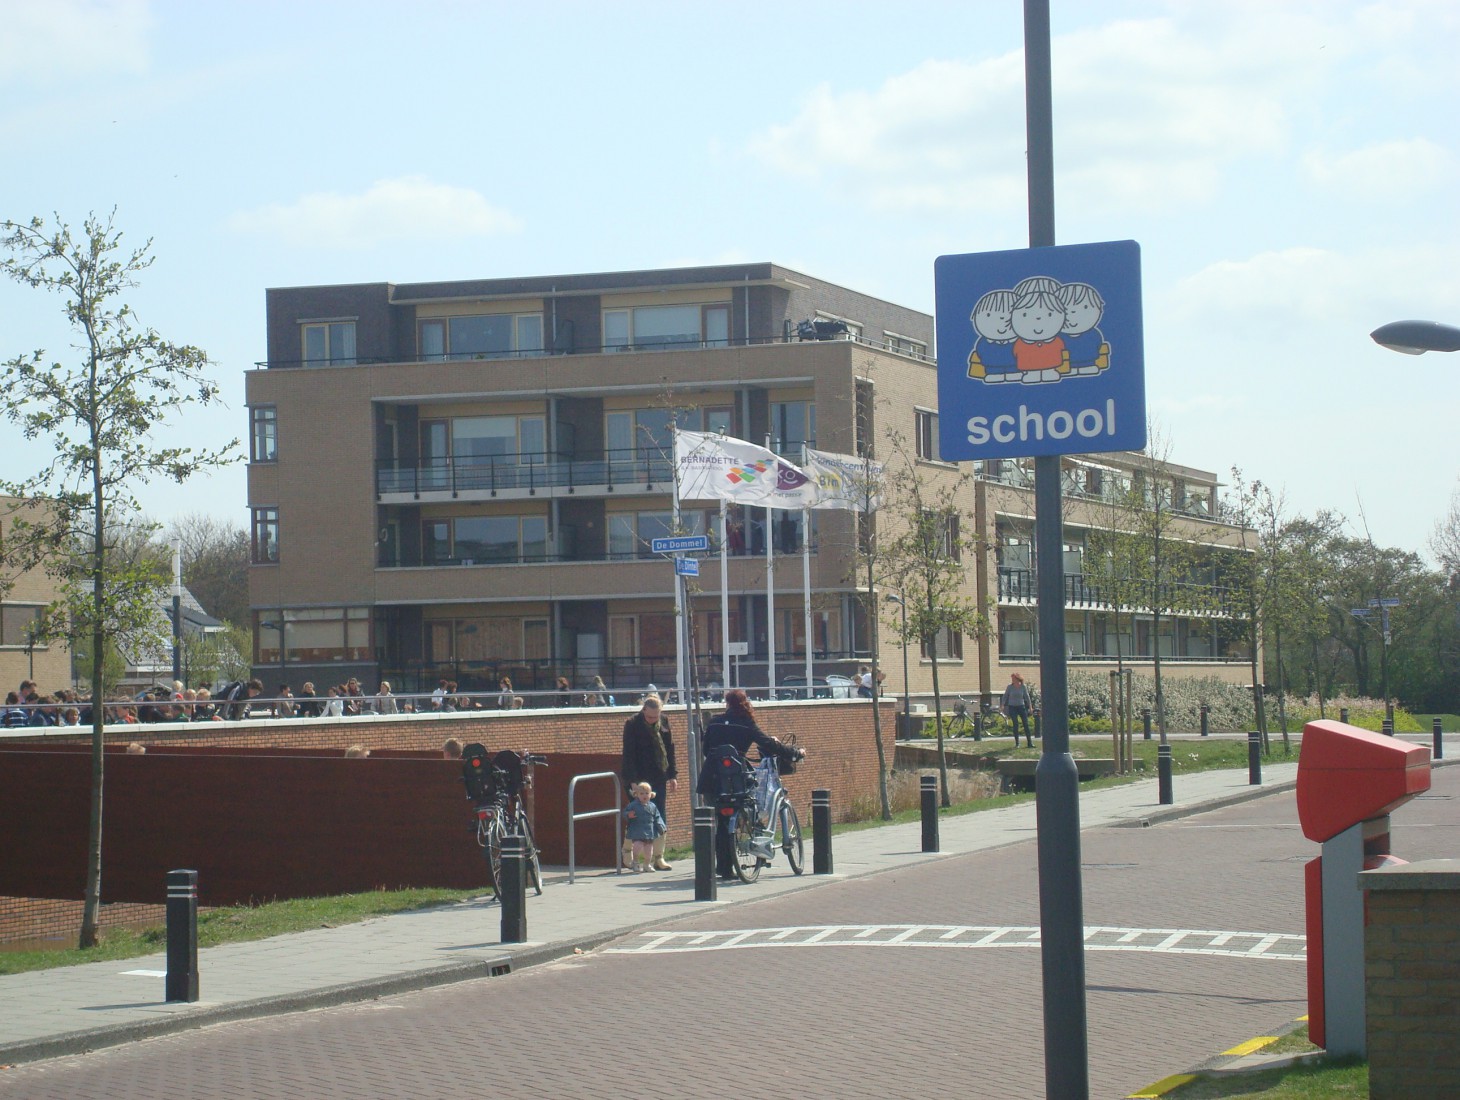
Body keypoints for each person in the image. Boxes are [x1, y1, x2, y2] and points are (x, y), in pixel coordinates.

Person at [696, 688, 802, 879]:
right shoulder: (746, 723)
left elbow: (705, 750)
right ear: (745, 703)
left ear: (727, 704)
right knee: (752, 804)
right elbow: (768, 744)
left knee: (720, 822)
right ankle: (756, 838)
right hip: (736, 779)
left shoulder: (714, 722)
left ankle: (724, 868)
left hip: (712, 779)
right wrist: (794, 752)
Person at [621, 694, 678, 871]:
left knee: (659, 816)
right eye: (650, 716)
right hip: (638, 777)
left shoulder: (664, 721)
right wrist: (632, 782)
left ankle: (658, 857)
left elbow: (670, 749)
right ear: (644, 709)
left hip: (658, 776)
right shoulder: (632, 724)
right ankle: (628, 855)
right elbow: (628, 753)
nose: (653, 720)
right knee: (637, 817)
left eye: (656, 716)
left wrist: (672, 775)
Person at [622, 782, 667, 873]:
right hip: (637, 831)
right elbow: (625, 812)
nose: (644, 796)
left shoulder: (652, 806)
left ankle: (647, 864)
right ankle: (635, 862)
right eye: (641, 794)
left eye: (647, 793)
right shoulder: (633, 805)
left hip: (649, 831)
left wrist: (661, 826)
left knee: (649, 850)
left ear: (651, 795)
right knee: (637, 846)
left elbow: (657, 817)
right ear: (637, 795)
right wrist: (628, 815)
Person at [1002, 672, 1033, 747]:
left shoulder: (1023, 687)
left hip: (1021, 706)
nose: (1012, 680)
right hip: (1012, 707)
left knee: (1025, 724)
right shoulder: (1010, 687)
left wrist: (1030, 706)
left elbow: (1026, 697)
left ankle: (1030, 743)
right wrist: (1002, 704)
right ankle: (1017, 743)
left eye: (1013, 678)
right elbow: (1005, 696)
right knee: (1015, 724)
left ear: (1017, 679)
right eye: (1011, 678)